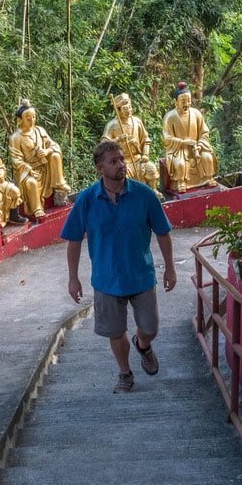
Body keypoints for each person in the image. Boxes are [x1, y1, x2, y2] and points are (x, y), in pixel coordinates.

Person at [62, 140, 176, 393]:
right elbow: (73, 240)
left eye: (122, 159)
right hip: (106, 279)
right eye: (114, 161)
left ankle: (143, 345)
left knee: (150, 327)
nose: (121, 165)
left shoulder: (144, 195)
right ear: (99, 168)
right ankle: (125, 373)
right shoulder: (87, 200)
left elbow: (163, 233)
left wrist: (170, 268)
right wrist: (73, 278)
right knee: (115, 331)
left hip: (141, 275)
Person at [9, 99, 71, 218]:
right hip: (26, 172)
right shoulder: (15, 138)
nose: (31, 120)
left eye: (33, 116)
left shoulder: (39, 130)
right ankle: (37, 208)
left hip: (44, 167)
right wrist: (30, 171)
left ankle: (59, 183)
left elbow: (54, 145)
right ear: (20, 120)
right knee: (31, 182)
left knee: (55, 155)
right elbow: (16, 160)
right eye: (27, 117)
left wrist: (46, 151)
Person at [103, 93, 162, 199]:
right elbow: (104, 144)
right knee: (122, 178)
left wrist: (145, 154)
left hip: (138, 159)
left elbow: (146, 139)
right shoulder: (112, 125)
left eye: (129, 107)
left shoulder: (137, 121)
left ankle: (153, 189)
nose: (128, 110)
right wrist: (118, 140)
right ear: (119, 109)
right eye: (125, 108)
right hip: (123, 161)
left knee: (151, 168)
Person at [161, 82, 218, 193]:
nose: (186, 104)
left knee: (207, 157)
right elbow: (167, 138)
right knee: (180, 163)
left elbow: (204, 132)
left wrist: (200, 144)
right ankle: (181, 182)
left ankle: (208, 177)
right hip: (179, 150)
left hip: (196, 148)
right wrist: (183, 142)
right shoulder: (170, 117)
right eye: (183, 102)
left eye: (189, 101)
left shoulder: (196, 113)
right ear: (175, 102)